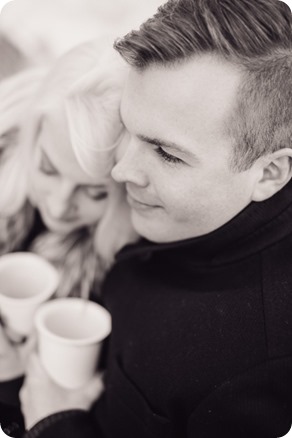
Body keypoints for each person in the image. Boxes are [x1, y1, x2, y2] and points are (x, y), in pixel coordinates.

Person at [17, 0, 292, 437]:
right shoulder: (170, 210)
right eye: (130, 130)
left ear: (270, 173)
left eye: (166, 153)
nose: (121, 172)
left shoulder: (257, 365)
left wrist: (56, 424)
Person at [0, 36, 136, 436]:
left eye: (94, 193)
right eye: (46, 167)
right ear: (32, 135)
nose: (59, 207)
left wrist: (12, 376)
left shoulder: (124, 267)